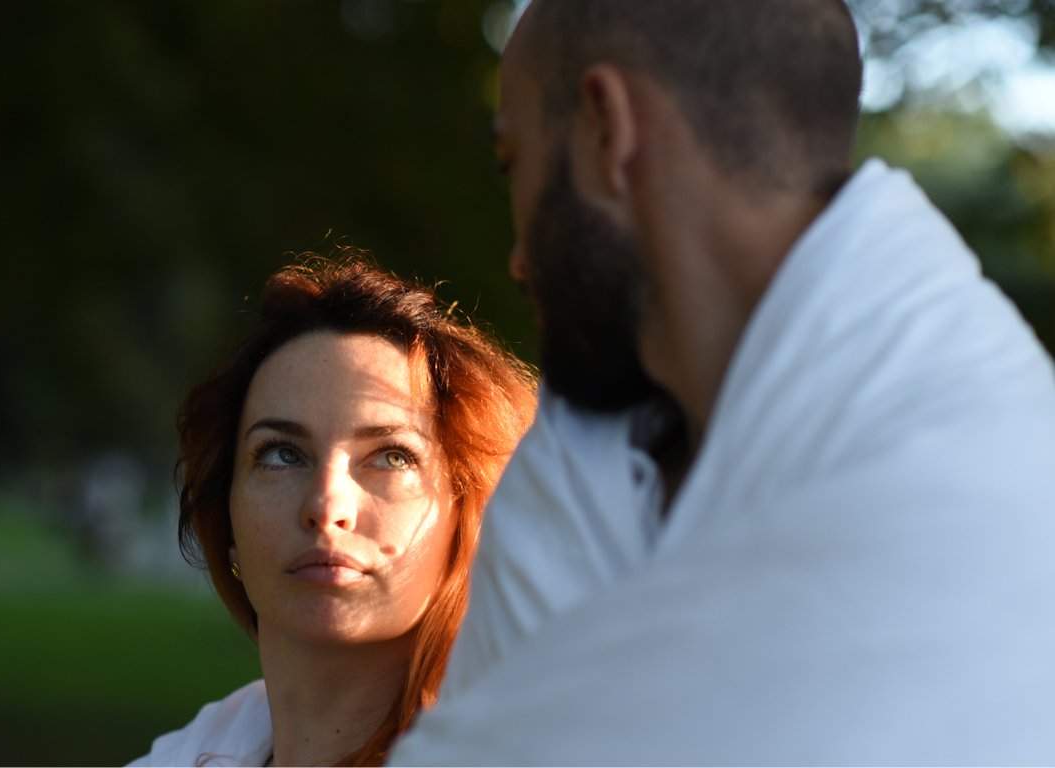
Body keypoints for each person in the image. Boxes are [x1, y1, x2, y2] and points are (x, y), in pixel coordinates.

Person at [388, 0, 1055, 764]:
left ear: (607, 130)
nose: (518, 258)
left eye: (515, 162)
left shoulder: (958, 491)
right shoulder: (579, 458)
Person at [130, 254, 536, 766]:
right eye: (282, 454)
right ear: (227, 520)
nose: (326, 506)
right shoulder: (190, 752)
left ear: (471, 518)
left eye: (392, 456)